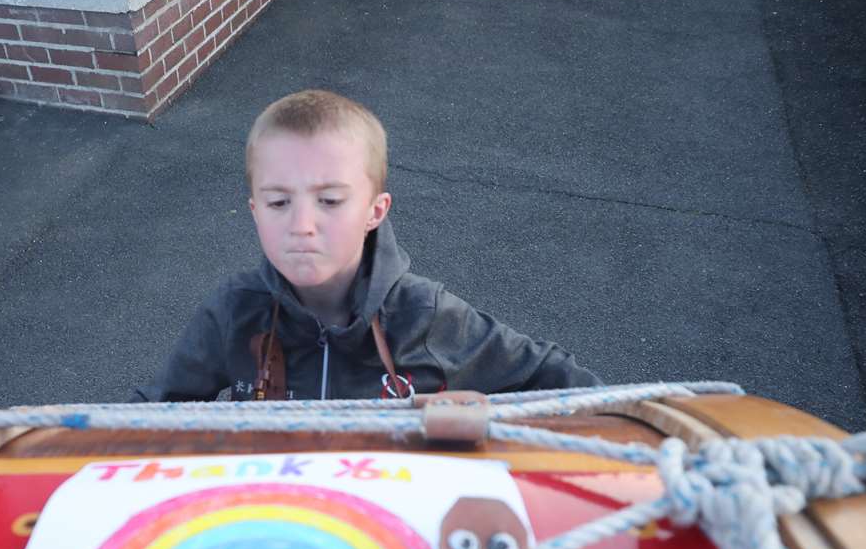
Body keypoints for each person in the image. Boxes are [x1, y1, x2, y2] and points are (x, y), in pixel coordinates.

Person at [136, 89, 600, 401]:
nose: (301, 225)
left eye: (330, 200)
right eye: (278, 202)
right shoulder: (233, 312)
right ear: (255, 210)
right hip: (270, 530)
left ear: (375, 212)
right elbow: (149, 417)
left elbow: (557, 380)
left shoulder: (425, 313)